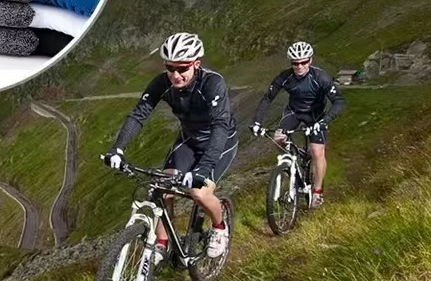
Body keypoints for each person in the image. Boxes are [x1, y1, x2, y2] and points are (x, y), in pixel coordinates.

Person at [103, 32, 238, 262]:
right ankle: (163, 244)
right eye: (170, 68)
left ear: (196, 64)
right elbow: (138, 116)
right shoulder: (162, 83)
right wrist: (118, 149)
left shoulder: (213, 83)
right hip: (188, 140)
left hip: (220, 142)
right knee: (162, 188)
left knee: (199, 192)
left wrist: (203, 169)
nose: (175, 75)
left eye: (182, 68)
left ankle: (220, 226)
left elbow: (220, 127)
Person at [250, 41, 345, 209]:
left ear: (310, 61)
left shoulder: (320, 77)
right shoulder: (285, 77)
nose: (300, 66)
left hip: (316, 116)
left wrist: (324, 122)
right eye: (295, 63)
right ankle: (291, 162)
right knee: (278, 137)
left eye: (304, 62)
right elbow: (267, 98)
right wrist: (257, 122)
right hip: (293, 112)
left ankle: (316, 192)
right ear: (290, 63)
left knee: (317, 152)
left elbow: (338, 101)